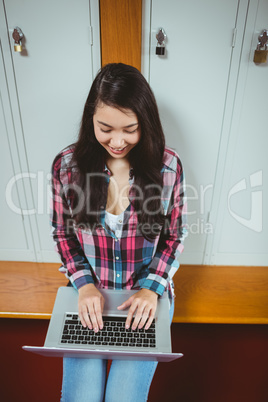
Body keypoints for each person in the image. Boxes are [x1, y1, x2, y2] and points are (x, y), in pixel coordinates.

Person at [51, 63, 187, 402]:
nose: (117, 141)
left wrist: (151, 291)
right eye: (105, 128)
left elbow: (173, 239)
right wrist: (84, 286)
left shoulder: (168, 166)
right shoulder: (66, 167)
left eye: (130, 129)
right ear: (90, 121)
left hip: (143, 296)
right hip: (89, 292)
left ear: (146, 123)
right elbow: (63, 235)